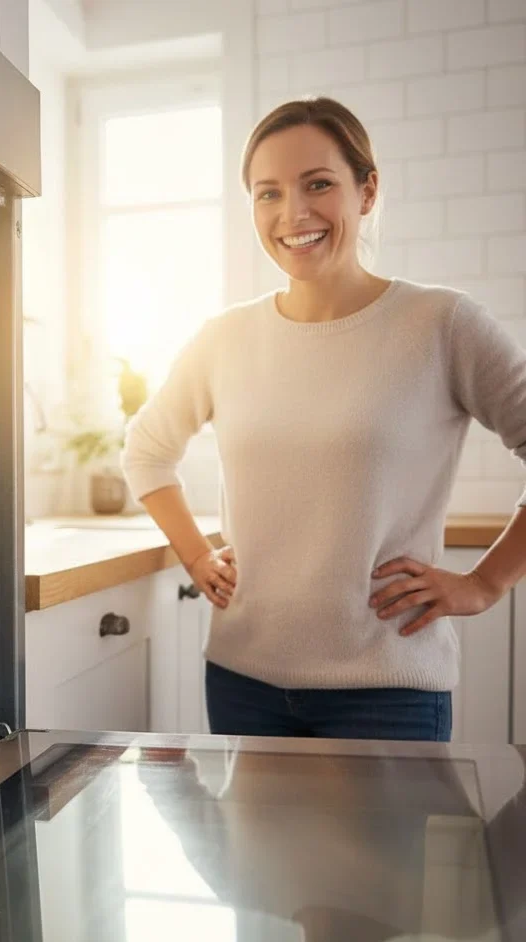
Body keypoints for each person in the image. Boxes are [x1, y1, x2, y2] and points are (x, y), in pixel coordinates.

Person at [120, 96, 526, 742]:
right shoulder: (224, 337)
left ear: (367, 191)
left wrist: (485, 584)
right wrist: (195, 555)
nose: (293, 214)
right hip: (242, 679)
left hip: (385, 690)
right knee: (254, 852)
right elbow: (146, 450)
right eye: (267, 193)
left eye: (318, 185)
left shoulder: (442, 325)